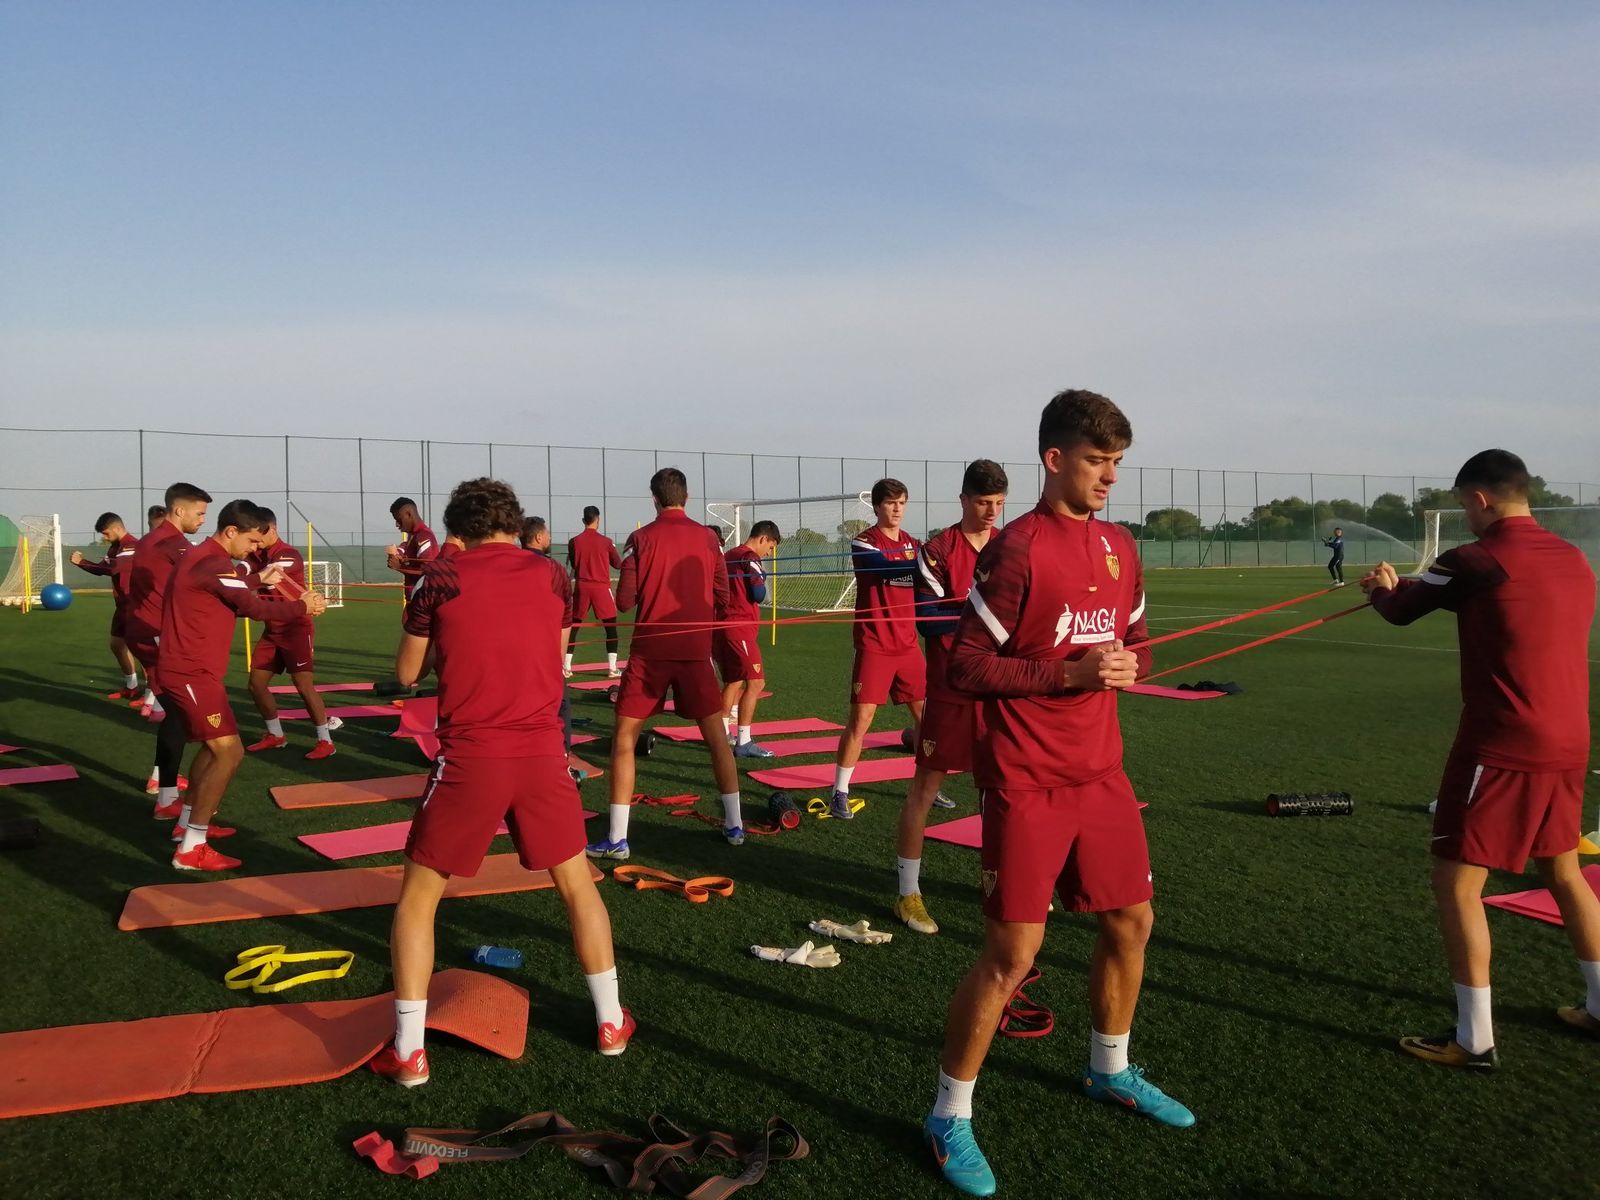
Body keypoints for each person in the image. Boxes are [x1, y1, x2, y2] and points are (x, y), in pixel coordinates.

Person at [924, 390, 1192, 1198]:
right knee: (1013, 956)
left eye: (1117, 463)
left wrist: (1129, 663)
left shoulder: (1119, 545)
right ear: (1054, 459)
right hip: (1026, 780)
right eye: (1097, 461)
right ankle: (948, 1116)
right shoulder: (1018, 550)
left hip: (1102, 773)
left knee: (1132, 921)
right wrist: (1066, 674)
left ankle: (1110, 1068)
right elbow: (967, 665)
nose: (1110, 476)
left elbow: (1136, 643)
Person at [370, 477, 631, 1087]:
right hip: (543, 754)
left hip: (473, 757)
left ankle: (409, 1051)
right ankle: (611, 1021)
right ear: (514, 524)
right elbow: (553, 652)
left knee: (417, 900)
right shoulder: (552, 574)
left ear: (457, 529)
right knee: (578, 887)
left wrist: (449, 644)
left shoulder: (440, 576)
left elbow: (406, 674)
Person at [1363, 449, 1600, 1067]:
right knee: (1563, 869)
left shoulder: (1473, 558)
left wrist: (1382, 590)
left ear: (1479, 499)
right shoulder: (1573, 558)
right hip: (1570, 738)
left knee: (1457, 882)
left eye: (1465, 505)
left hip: (1502, 743)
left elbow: (1401, 611)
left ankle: (1474, 1040)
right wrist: (1403, 587)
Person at [158, 500, 326, 871]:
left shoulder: (207, 560)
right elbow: (253, 608)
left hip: (196, 672)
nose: (254, 549)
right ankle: (191, 847)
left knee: (213, 749)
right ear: (231, 531)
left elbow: (224, 589)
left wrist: (256, 579)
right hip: (190, 673)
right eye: (251, 541)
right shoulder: (211, 561)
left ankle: (187, 824)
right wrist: (302, 606)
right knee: (229, 753)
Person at [586, 468, 743, 860]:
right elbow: (723, 595)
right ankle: (735, 825)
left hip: (649, 654)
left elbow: (625, 601)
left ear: (654, 499)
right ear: (686, 497)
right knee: (717, 739)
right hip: (695, 653)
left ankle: (618, 838)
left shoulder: (640, 539)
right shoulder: (709, 538)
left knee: (624, 739)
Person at [895, 461, 1008, 936]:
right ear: (963, 500)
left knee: (999, 792)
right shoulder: (937, 550)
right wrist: (978, 612)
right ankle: (907, 893)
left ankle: (1003, 884)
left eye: (998, 503)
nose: (991, 512)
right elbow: (927, 620)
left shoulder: (1011, 546)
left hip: (999, 692)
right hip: (949, 691)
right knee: (924, 789)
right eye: (983, 502)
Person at [829, 479, 925, 820]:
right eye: (890, 503)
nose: (897, 508)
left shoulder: (913, 544)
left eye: (902, 502)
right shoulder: (865, 542)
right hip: (875, 646)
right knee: (861, 720)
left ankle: (927, 786)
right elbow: (885, 567)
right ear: (877, 507)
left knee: (927, 719)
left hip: (908, 646)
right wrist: (924, 563)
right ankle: (839, 791)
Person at [124, 482, 212, 810]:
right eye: (199, 513)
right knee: (181, 713)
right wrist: (253, 580)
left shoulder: (153, 539)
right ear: (179, 510)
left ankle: (162, 785)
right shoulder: (171, 543)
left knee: (175, 711)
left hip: (147, 631)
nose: (203, 519)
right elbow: (208, 577)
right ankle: (166, 796)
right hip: (157, 634)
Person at [243, 509, 340, 760]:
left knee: (303, 685)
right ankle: (276, 735)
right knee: (256, 684)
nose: (256, 541)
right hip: (272, 630)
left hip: (296, 628)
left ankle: (325, 741)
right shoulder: (255, 554)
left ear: (272, 529)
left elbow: (270, 574)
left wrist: (247, 577)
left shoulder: (288, 554)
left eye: (259, 534)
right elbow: (242, 571)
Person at [715, 520, 782, 758]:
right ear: (763, 538)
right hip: (739, 627)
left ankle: (721, 734)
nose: (769, 553)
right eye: (770, 547)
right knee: (756, 683)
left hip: (720, 626)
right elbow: (759, 594)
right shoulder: (749, 557)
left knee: (733, 681)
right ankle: (744, 741)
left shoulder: (728, 555)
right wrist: (762, 576)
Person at [71, 511, 143, 700]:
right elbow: (102, 568)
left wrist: (82, 562)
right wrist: (83, 564)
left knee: (142, 650)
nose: (104, 537)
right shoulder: (114, 548)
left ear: (117, 528)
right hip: (122, 606)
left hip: (136, 606)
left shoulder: (131, 546)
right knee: (117, 644)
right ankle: (131, 686)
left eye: (106, 533)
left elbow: (113, 569)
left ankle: (152, 696)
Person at [522, 515, 578, 755]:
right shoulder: (553, 569)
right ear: (538, 537)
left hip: (514, 651)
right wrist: (559, 659)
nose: (550, 538)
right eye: (547, 534)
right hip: (544, 650)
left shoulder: (509, 566)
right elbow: (565, 617)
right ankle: (561, 752)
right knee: (559, 704)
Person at [566, 506, 623, 677]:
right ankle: (612, 668)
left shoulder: (574, 542)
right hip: (601, 588)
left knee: (573, 626)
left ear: (583, 520)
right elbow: (618, 564)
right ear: (597, 520)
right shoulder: (606, 542)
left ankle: (566, 667)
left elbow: (575, 564)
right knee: (611, 628)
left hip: (582, 587)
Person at [385, 497, 438, 611]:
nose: (397, 524)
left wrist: (400, 567)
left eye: (399, 519)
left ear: (408, 514)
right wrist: (397, 554)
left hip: (421, 604)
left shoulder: (424, 536)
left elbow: (429, 572)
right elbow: (404, 548)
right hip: (414, 601)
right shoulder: (413, 536)